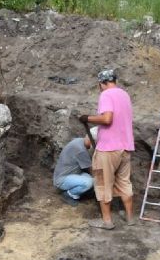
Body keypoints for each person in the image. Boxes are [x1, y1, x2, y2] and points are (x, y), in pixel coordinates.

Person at [78, 69, 135, 229]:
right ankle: (130, 218)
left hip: (108, 148)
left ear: (101, 83)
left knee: (103, 182)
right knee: (124, 182)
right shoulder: (124, 94)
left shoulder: (106, 95)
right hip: (125, 147)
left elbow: (107, 119)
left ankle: (107, 221)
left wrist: (87, 118)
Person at [53, 127, 98, 206]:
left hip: (71, 174)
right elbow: (91, 170)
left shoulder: (79, 141)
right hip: (62, 179)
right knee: (90, 182)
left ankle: (79, 192)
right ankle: (68, 194)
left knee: (91, 179)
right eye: (95, 143)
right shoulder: (81, 150)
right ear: (92, 141)